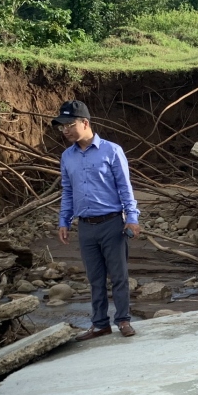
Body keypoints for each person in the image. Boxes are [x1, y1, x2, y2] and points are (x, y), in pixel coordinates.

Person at [55, 100, 141, 340]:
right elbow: (68, 191)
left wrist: (132, 218)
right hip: (86, 226)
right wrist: (64, 221)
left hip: (112, 223)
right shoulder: (67, 157)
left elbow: (125, 187)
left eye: (69, 125)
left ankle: (123, 320)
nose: (65, 130)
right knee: (94, 278)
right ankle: (100, 324)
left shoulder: (112, 151)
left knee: (119, 275)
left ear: (85, 123)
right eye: (62, 126)